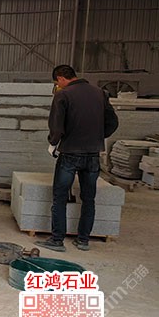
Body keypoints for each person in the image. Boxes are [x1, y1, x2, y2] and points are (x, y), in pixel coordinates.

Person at [37, 65, 119, 252]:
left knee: (60, 197)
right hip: (93, 154)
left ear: (61, 78)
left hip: (70, 153)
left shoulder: (63, 95)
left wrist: (53, 143)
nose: (58, 86)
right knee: (89, 198)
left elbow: (57, 126)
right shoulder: (100, 93)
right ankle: (83, 240)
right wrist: (98, 137)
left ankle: (57, 240)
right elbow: (113, 122)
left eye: (57, 82)